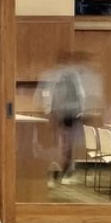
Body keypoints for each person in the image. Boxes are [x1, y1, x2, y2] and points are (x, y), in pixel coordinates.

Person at [40, 51, 101, 184]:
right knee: (66, 144)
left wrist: (50, 110)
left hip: (66, 114)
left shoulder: (63, 76)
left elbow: (78, 94)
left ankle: (65, 171)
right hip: (67, 114)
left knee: (66, 144)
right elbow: (81, 95)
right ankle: (65, 170)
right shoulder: (70, 76)